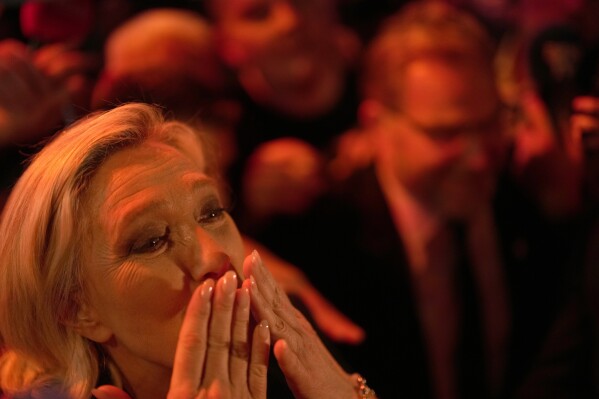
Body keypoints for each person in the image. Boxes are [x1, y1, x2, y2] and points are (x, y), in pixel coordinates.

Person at [248, 2, 579, 398]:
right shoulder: (322, 240)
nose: (477, 158)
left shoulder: (530, 200)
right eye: (445, 135)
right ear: (377, 126)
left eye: (489, 123)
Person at [0, 103, 376, 399]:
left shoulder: (292, 346)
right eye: (152, 241)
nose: (215, 255)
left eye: (211, 212)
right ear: (77, 310)